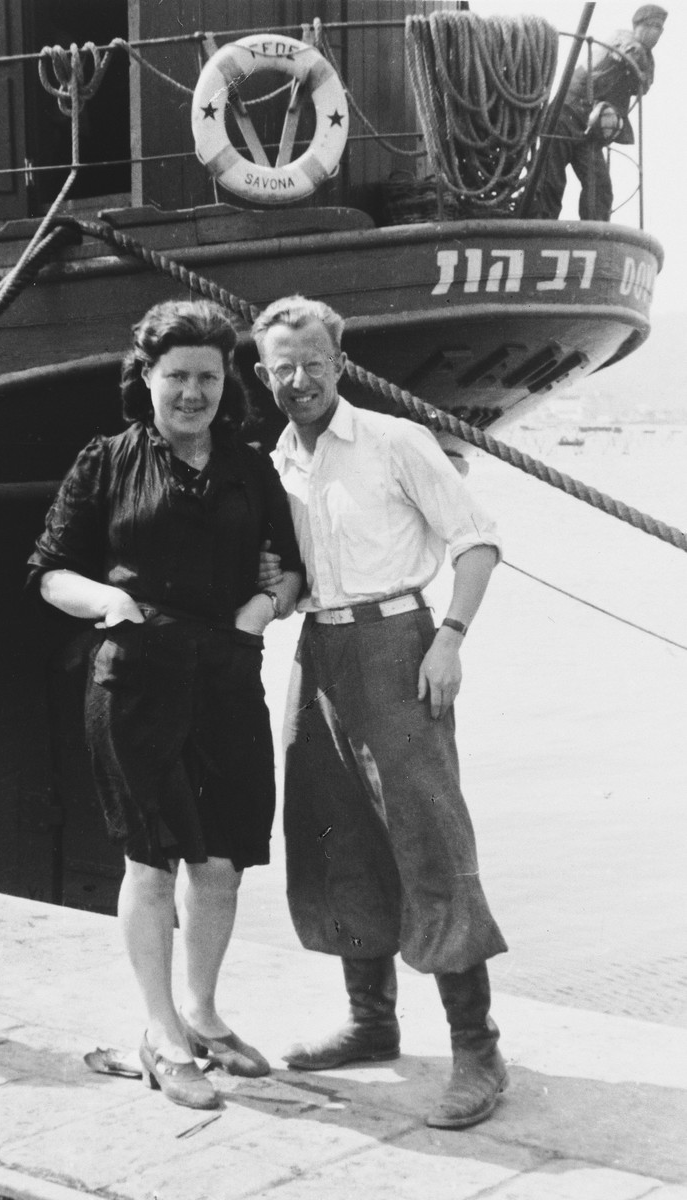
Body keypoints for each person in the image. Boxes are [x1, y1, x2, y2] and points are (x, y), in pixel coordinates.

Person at [28, 299, 302, 1110]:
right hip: (136, 677)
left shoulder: (251, 467)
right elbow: (48, 569)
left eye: (207, 377)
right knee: (150, 862)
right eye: (176, 375)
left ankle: (204, 1015)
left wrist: (265, 608)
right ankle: (159, 1033)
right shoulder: (106, 461)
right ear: (145, 378)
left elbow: (289, 568)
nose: (192, 393)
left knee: (220, 859)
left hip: (223, 673)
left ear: (228, 383)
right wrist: (105, 604)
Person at [252, 295, 508, 1130]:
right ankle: (372, 1021)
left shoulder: (396, 441)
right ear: (265, 374)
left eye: (313, 362)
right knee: (332, 833)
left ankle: (478, 1048)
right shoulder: (277, 461)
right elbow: (288, 577)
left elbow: (475, 541)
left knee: (428, 835)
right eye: (283, 366)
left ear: (340, 360)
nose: (299, 380)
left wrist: (451, 641)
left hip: (400, 644)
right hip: (318, 653)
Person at [533, 6, 667, 220]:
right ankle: (539, 229)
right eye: (652, 26)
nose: (657, 32)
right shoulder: (622, 38)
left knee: (599, 185)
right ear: (638, 26)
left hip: (589, 125)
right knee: (551, 179)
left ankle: (596, 233)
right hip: (566, 112)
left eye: (660, 28)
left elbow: (644, 84)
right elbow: (623, 51)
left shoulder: (648, 59)